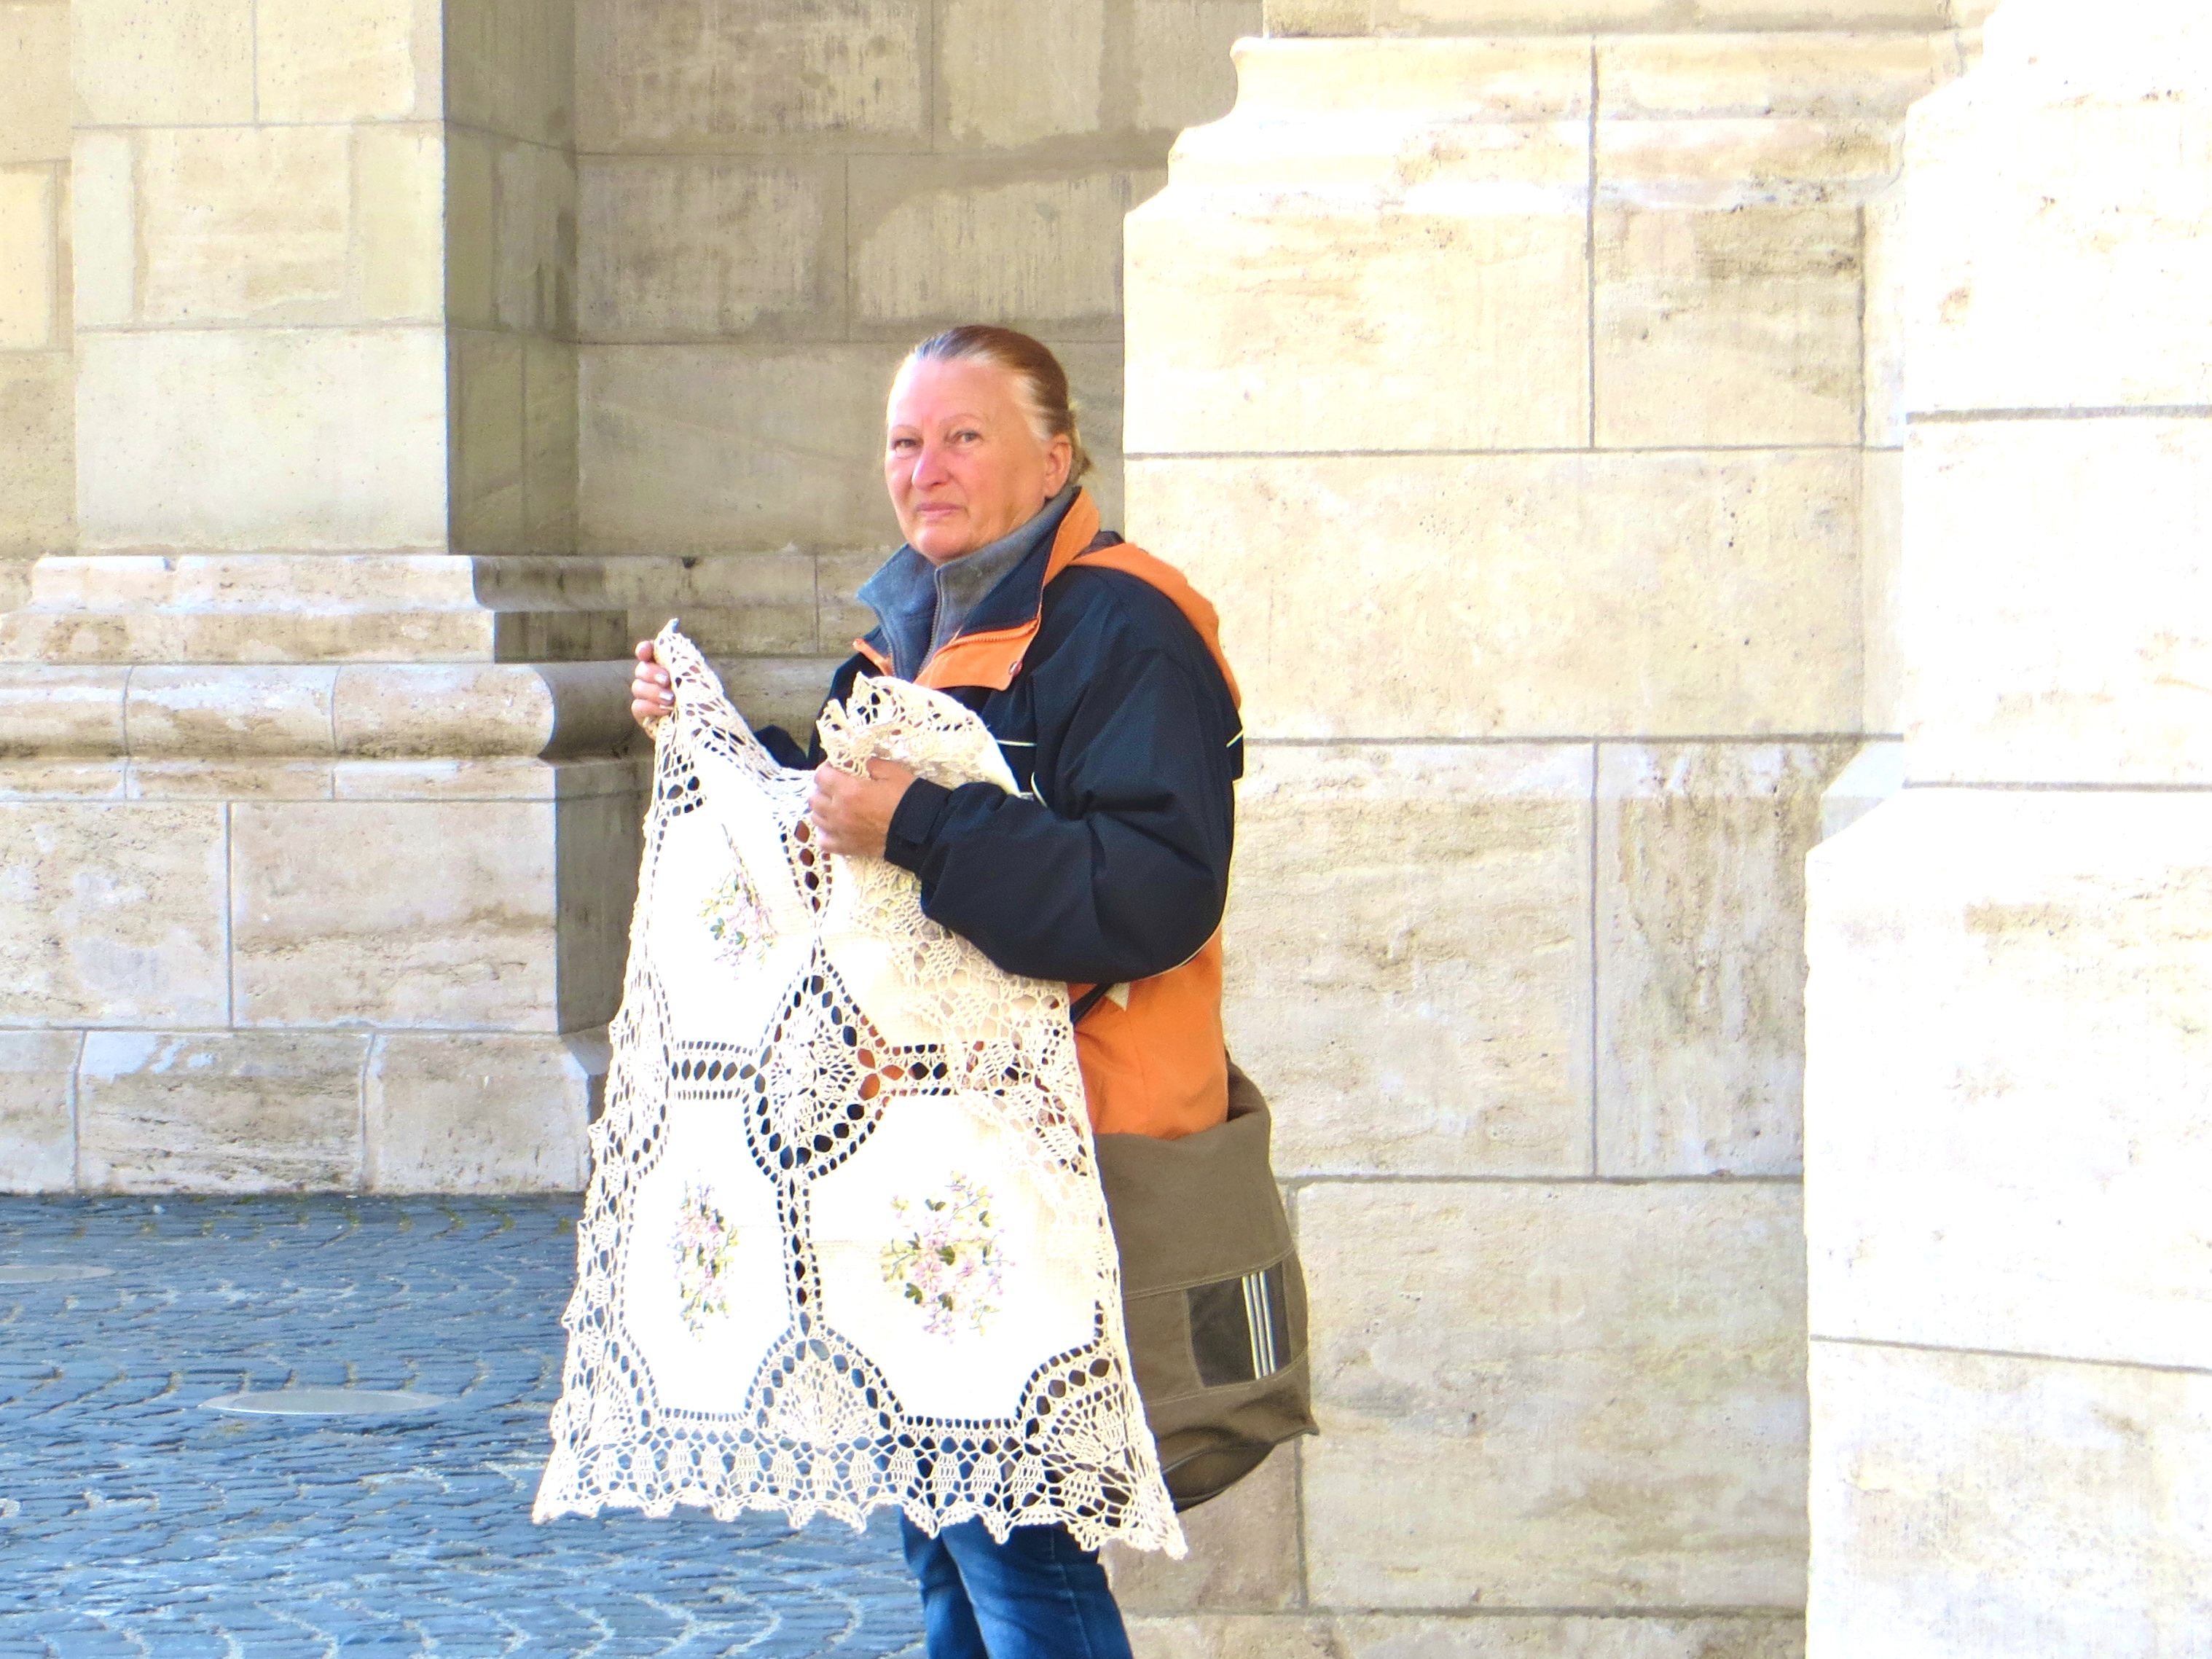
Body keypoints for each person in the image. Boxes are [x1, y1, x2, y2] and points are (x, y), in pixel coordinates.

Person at [628, 324, 1242, 1659]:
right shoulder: (903, 634)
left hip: (1067, 1155)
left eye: (966, 435)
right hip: (925, 1166)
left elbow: (1154, 891)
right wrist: (715, 738)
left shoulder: (1125, 627)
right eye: (906, 441)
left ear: (1055, 460)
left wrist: (918, 822)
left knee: (1018, 1563)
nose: (927, 467)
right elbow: (838, 853)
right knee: (953, 1553)